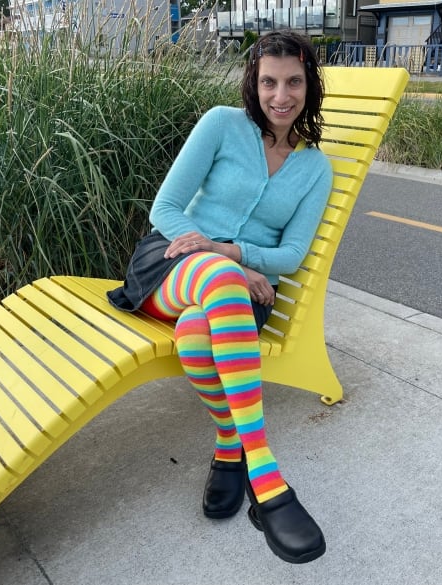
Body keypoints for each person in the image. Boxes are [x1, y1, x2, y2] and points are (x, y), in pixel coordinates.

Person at [107, 31, 332, 564]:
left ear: (309, 86)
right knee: (220, 281)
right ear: (254, 84)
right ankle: (265, 474)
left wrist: (234, 253)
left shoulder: (314, 168)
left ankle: (230, 446)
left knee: (195, 335)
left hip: (233, 294)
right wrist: (215, 255)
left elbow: (293, 254)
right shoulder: (220, 125)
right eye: (270, 81)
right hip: (171, 266)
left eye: (294, 82)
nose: (282, 95)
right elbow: (165, 208)